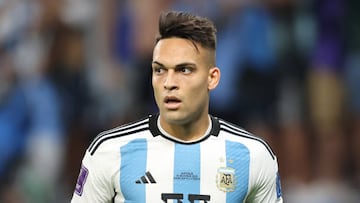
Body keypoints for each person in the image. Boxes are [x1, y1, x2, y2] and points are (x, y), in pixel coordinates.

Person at [71, 10, 283, 203]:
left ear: (212, 78)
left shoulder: (253, 156)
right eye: (160, 70)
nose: (169, 82)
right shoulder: (109, 151)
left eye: (184, 70)